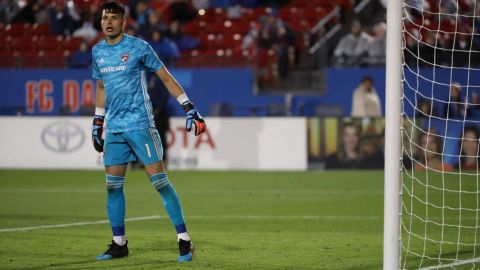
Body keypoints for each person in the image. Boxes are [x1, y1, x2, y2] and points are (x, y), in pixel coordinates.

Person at [90, 1, 206, 262]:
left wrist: (189, 107)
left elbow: (165, 76)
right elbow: (100, 88)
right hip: (116, 128)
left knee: (160, 182)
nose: (108, 22)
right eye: (104, 18)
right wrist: (98, 122)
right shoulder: (97, 52)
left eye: (113, 18)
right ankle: (119, 244)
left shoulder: (138, 47)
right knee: (112, 186)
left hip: (141, 124)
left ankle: (184, 240)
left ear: (123, 22)